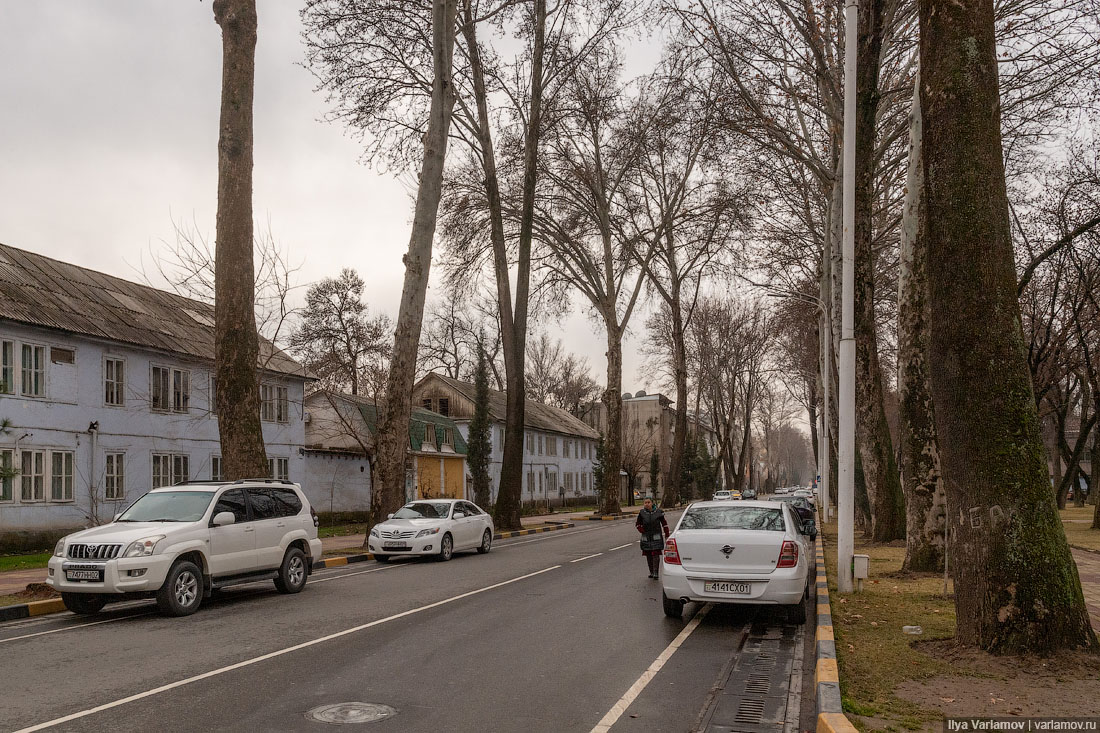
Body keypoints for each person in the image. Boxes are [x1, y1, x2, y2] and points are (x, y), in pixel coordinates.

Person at [635, 498, 670, 579]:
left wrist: (667, 534)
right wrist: (641, 529)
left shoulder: (658, 512)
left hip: (656, 536)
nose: (647, 504)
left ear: (652, 503)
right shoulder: (642, 513)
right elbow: (638, 524)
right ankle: (651, 571)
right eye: (645, 503)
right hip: (646, 537)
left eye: (648, 502)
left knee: (655, 554)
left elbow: (664, 524)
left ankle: (655, 572)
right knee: (648, 554)